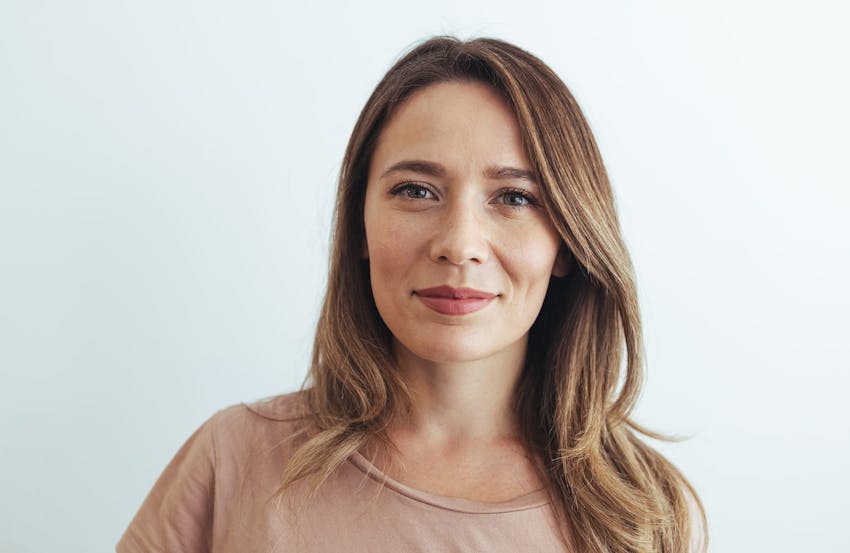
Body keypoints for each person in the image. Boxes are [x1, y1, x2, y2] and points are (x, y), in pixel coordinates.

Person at [117, 36, 707, 553]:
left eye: (516, 198)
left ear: (568, 245)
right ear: (359, 227)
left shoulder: (644, 513)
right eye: (417, 191)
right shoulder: (235, 461)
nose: (459, 245)